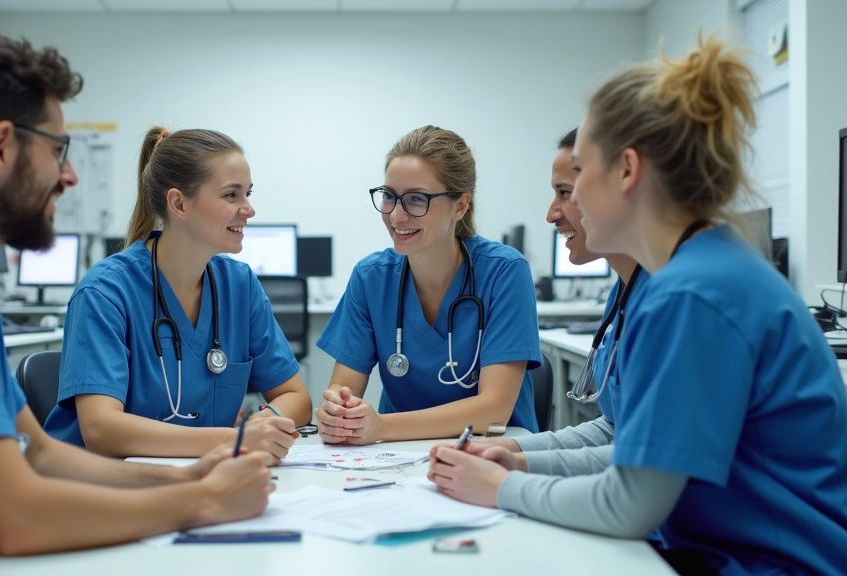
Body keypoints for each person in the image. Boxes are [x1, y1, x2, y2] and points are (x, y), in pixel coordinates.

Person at [0, 25, 275, 575]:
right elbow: (14, 517)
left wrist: (186, 476)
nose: (70, 175)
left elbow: (38, 452)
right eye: (58, 151)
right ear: (2, 146)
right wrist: (202, 503)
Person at [428, 35, 847, 575]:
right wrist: (523, 464)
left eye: (580, 174)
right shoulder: (699, 272)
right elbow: (643, 456)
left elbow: (628, 503)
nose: (570, 202)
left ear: (627, 171)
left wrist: (504, 487)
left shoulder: (693, 295)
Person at [43, 127, 312, 463]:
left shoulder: (239, 286)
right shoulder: (105, 293)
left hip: (198, 475)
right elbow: (101, 430)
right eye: (232, 195)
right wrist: (236, 441)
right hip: (99, 488)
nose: (249, 209)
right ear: (179, 203)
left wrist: (264, 426)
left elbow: (295, 396)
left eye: (248, 193)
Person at [315, 125, 542, 445]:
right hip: (395, 458)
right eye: (389, 197)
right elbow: (343, 392)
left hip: (490, 453)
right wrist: (337, 413)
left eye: (416, 200)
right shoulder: (371, 278)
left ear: (460, 206)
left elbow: (494, 410)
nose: (396, 215)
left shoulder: (504, 272)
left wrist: (382, 427)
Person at [472, 127, 646, 478]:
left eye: (566, 193)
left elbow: (649, 468)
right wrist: (507, 450)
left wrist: (510, 476)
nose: (552, 215)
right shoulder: (626, 291)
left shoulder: (683, 300)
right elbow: (616, 430)